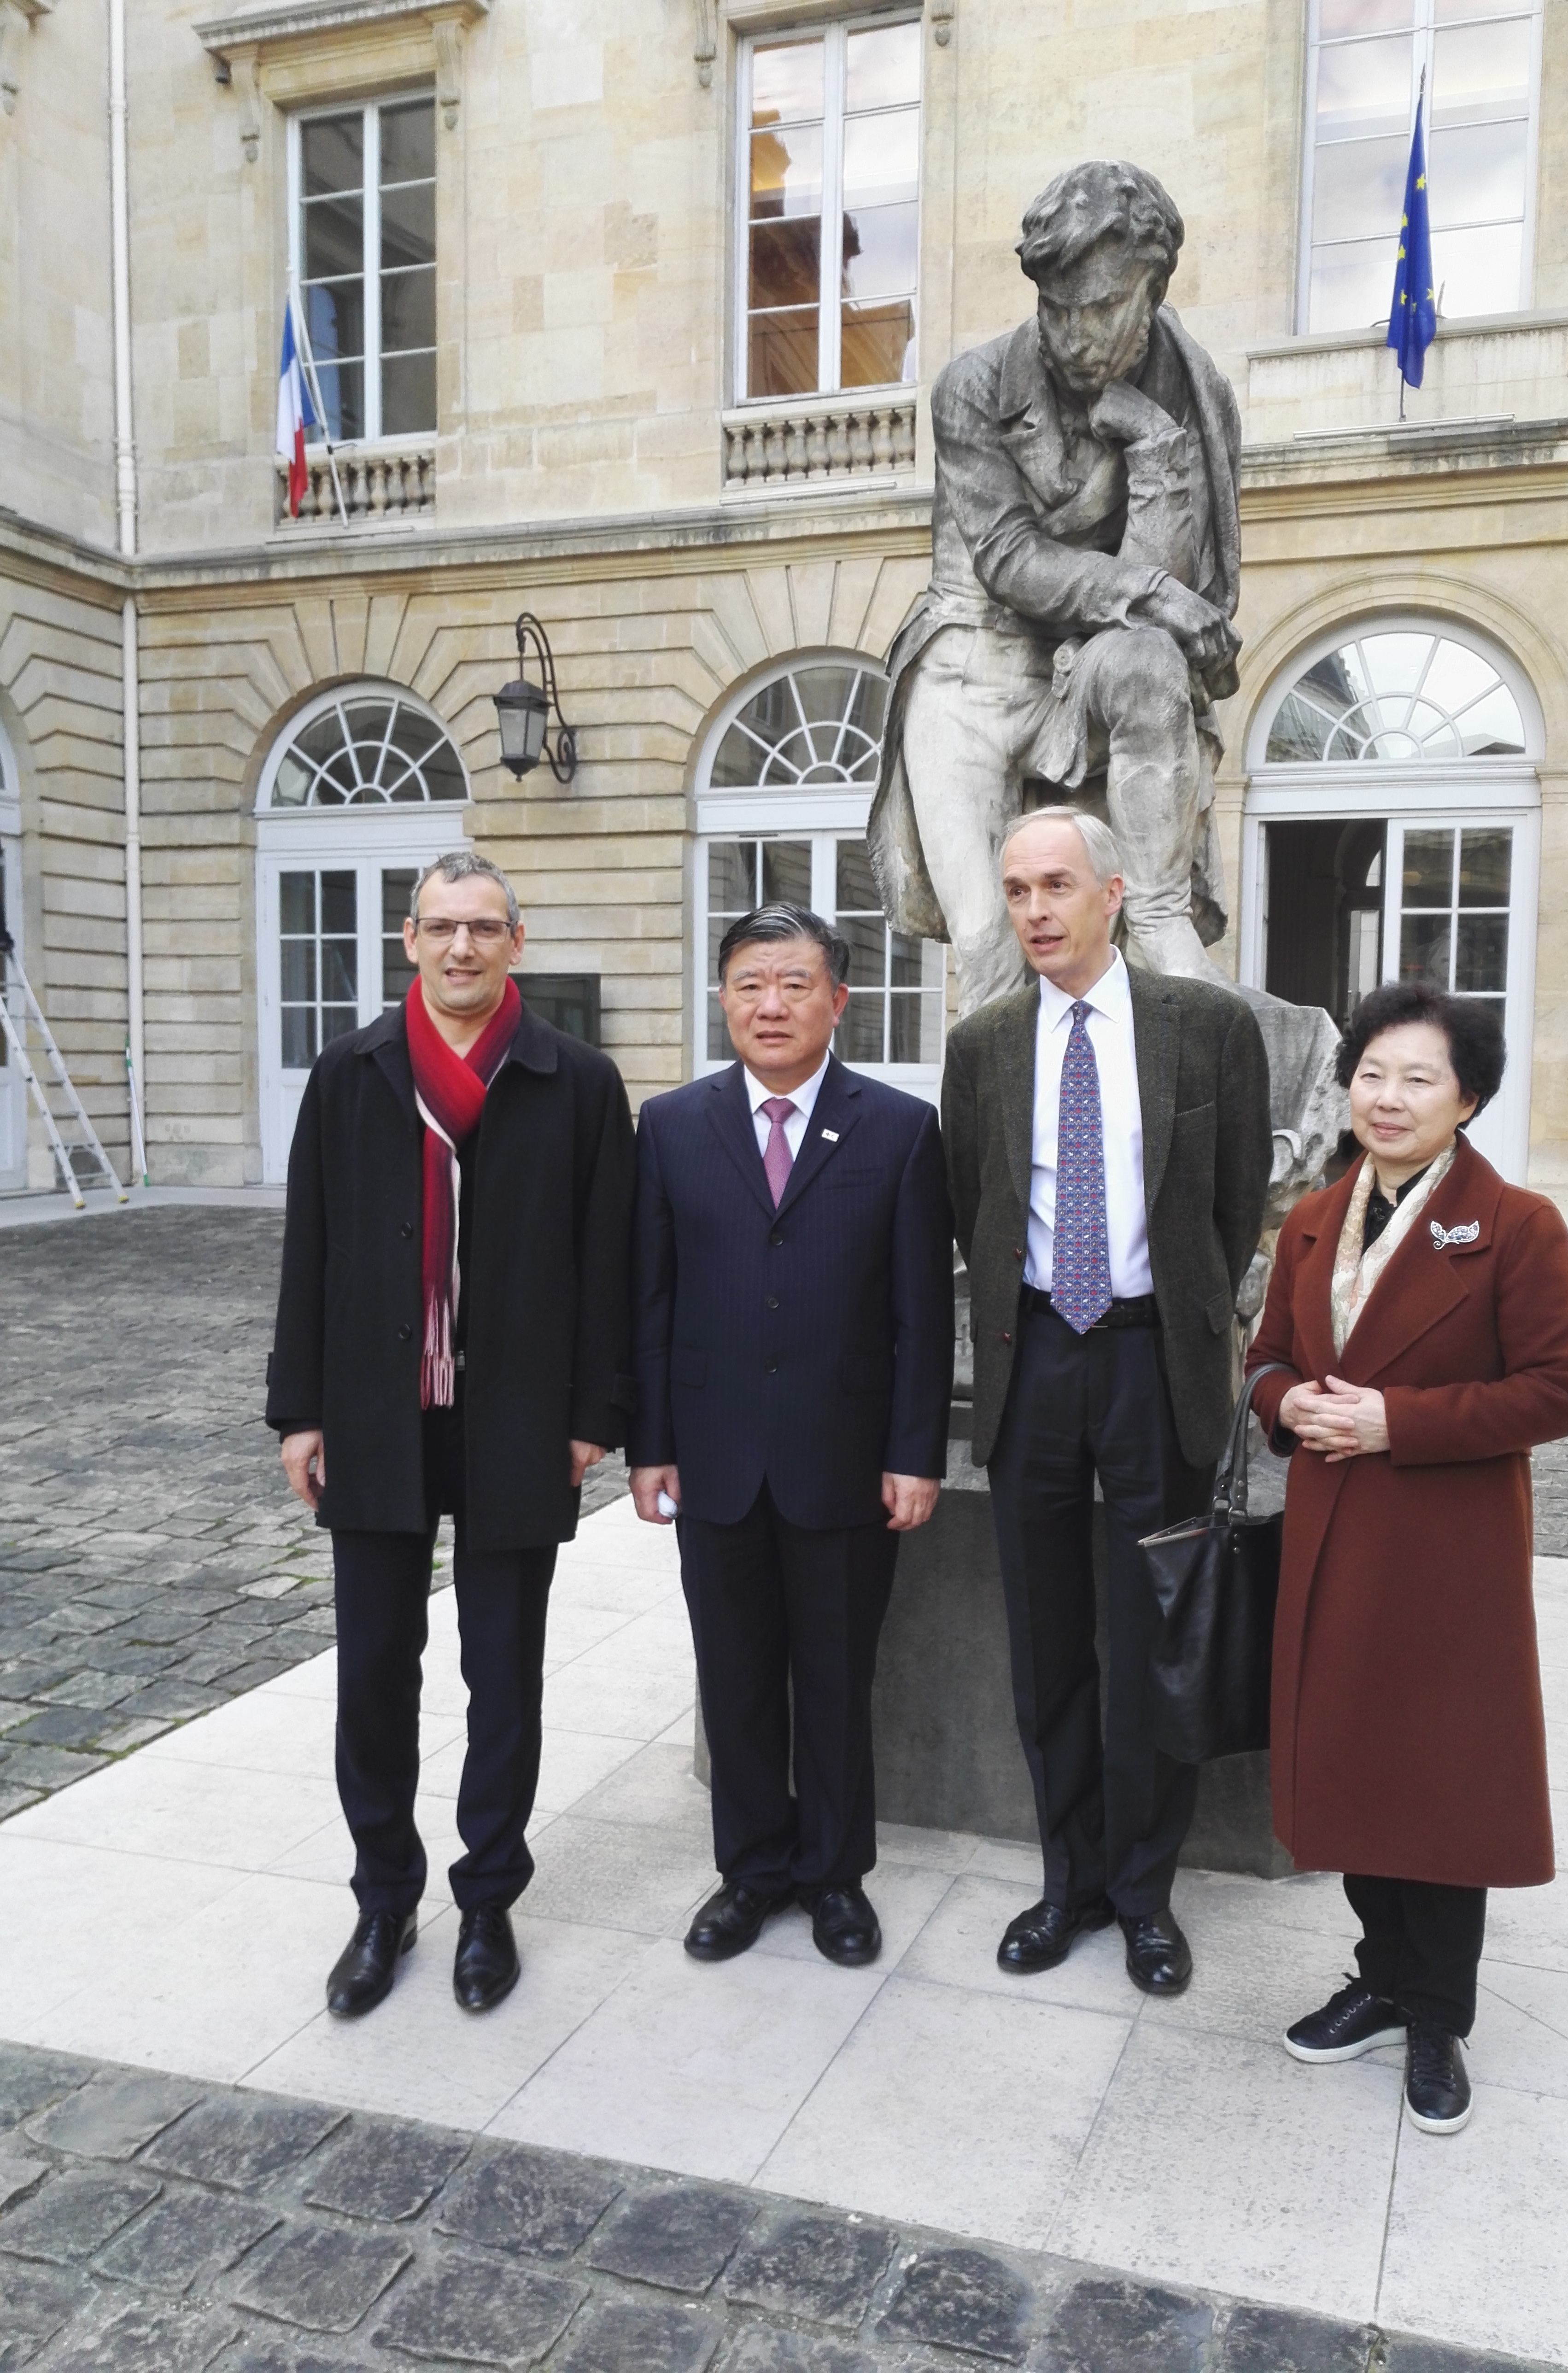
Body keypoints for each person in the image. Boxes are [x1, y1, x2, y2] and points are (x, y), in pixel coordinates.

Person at [267, 850, 634, 2021]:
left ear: (515, 942)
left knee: (504, 1669)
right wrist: (302, 1409)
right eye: (441, 928)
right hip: (378, 1411)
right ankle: (385, 1897)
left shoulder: (575, 1080)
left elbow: (607, 1265)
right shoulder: (352, 1070)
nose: (462, 947)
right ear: (409, 940)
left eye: (485, 928)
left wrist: (591, 1416)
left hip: (519, 1414)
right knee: (375, 1667)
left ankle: (487, 1898)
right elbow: (310, 1250)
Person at [1246, 980, 1568, 2134]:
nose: (1385, 1099)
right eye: (1370, 1073)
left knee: (1442, 1779)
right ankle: (1380, 1974)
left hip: (1449, 1551)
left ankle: (1438, 2008)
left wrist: (1399, 1420)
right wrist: (1289, 1400)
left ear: (1470, 1099)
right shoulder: (1311, 1216)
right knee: (1351, 1765)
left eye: (1418, 1079)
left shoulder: (1517, 1225)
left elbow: (1556, 1392)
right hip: (1333, 1535)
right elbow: (1263, 1359)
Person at [942, 807, 1271, 1993]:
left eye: (1057, 886)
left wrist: (1179, 1316)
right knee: (1046, 1646)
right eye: (1019, 888)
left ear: (1113, 891)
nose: (1035, 909)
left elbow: (1236, 1204)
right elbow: (968, 1201)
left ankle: (1145, 1894)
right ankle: (1067, 1880)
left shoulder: (1209, 1027)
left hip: (1150, 1362)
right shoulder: (983, 1044)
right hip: (1033, 1363)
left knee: (1151, 1642)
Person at [628, 902, 955, 1969]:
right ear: (722, 998)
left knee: (835, 1677)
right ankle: (752, 1869)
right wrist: (650, 1443)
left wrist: (915, 1450)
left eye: (795, 983)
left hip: (845, 1463)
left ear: (838, 1000)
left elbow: (920, 1311)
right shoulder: (674, 1125)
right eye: (750, 983)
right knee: (735, 1676)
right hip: (714, 1458)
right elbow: (653, 1298)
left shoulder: (899, 1130)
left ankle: (834, 1877)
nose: (772, 1004)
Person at [870, 160, 1244, 1016]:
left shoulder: (1190, 393)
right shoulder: (973, 386)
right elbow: (1007, 557)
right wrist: (1151, 592)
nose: (1077, 337)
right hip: (973, 662)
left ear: (1153, 293)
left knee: (1151, 665)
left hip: (1084, 663)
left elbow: (1173, 589)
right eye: (1056, 309)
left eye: (1103, 308)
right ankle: (997, 1149)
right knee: (991, 953)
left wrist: (1155, 453)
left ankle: (1156, 912)